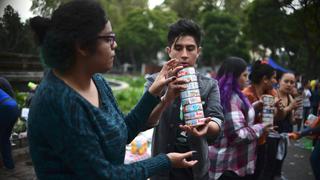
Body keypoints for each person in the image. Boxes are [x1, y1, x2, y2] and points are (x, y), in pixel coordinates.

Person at [28, 1, 198, 179]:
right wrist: (166, 161)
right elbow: (104, 175)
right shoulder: (57, 101)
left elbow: (122, 132)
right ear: (82, 46)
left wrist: (154, 92)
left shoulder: (97, 81)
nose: (115, 45)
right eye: (108, 38)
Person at [144, 19, 224, 180]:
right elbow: (144, 119)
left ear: (198, 51)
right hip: (162, 168)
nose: (184, 55)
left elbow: (217, 119)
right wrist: (166, 97)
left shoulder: (210, 85)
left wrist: (207, 127)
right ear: (169, 51)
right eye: (178, 48)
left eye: (190, 48)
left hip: (196, 170)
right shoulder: (155, 82)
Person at [208, 57, 271, 180]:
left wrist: (255, 107)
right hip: (228, 167)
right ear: (234, 77)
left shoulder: (226, 94)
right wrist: (262, 127)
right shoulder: (231, 98)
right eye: (244, 75)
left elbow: (236, 118)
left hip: (228, 164)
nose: (247, 79)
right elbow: (238, 135)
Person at [242, 60, 282, 180]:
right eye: (274, 78)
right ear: (265, 79)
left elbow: (277, 117)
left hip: (262, 141)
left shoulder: (271, 92)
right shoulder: (246, 94)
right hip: (247, 144)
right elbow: (242, 121)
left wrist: (276, 108)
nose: (275, 81)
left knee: (258, 172)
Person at [0, 77, 19, 169]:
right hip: (14, 107)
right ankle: (9, 165)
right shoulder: (3, 81)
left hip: (5, 108)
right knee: (4, 138)